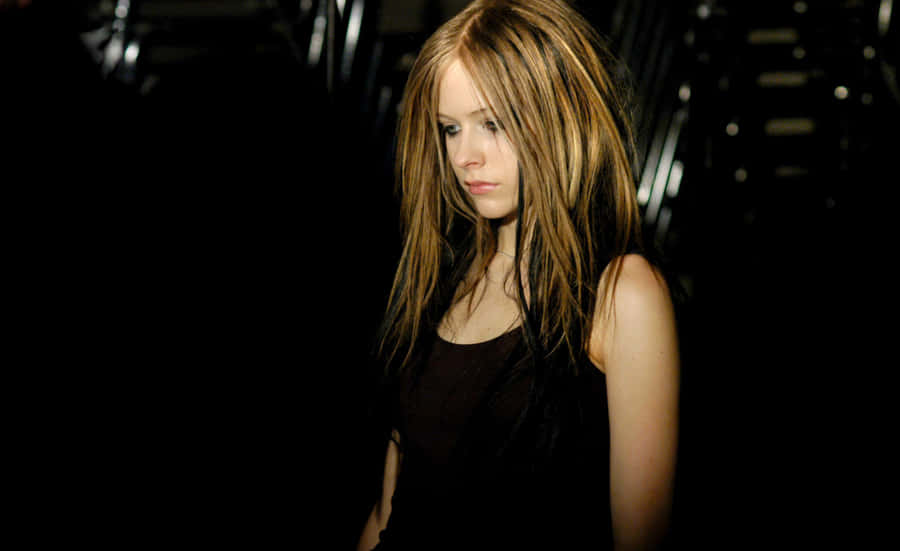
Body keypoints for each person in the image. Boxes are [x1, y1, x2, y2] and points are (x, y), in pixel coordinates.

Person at [357, 1, 679, 549]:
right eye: (450, 128)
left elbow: (642, 536)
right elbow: (391, 505)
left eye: (493, 123)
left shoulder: (620, 294)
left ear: (560, 117)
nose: (465, 156)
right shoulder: (437, 286)